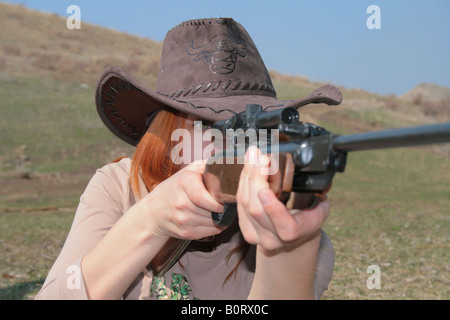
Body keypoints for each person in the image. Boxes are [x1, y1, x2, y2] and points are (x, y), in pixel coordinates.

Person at [35, 17, 335, 300]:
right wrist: (149, 222)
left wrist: (286, 249)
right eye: (209, 126)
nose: (232, 146)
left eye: (251, 131)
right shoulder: (117, 187)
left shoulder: (301, 227)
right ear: (169, 132)